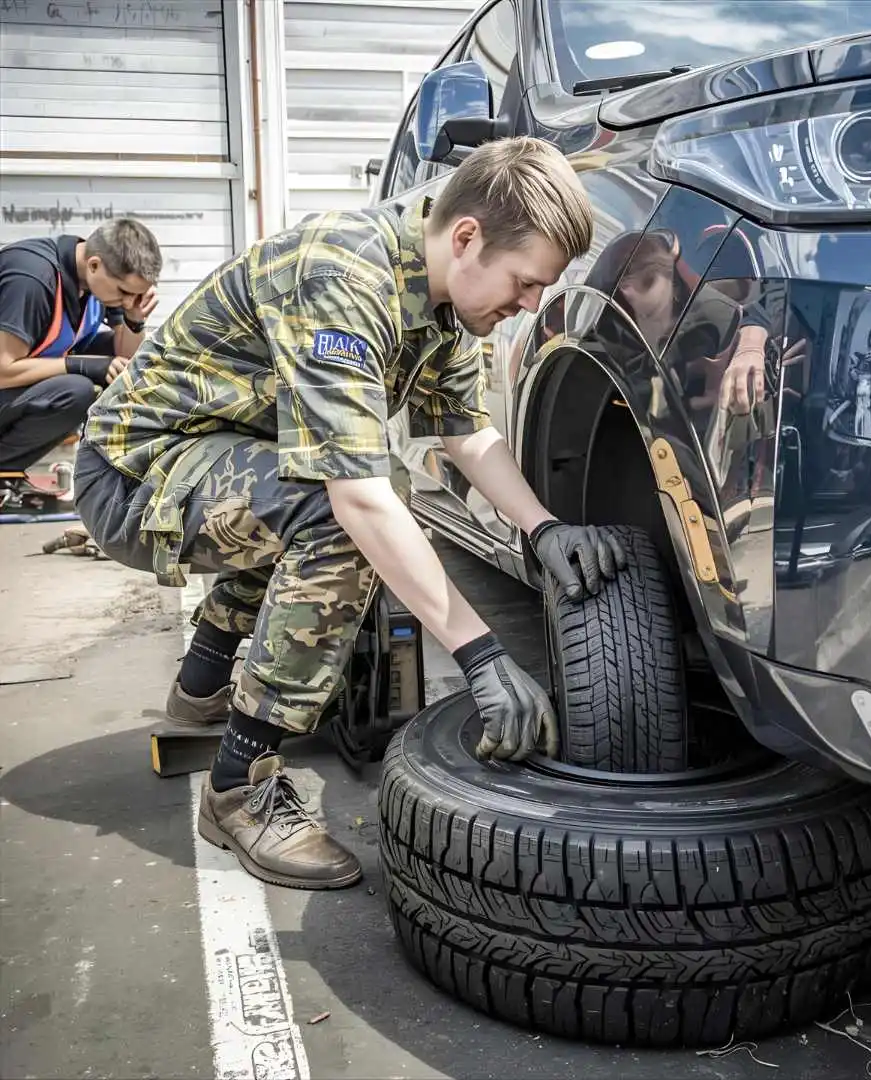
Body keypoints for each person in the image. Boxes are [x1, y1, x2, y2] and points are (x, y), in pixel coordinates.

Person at [72, 136, 628, 890]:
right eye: (526, 282)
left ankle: (201, 689)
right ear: (466, 237)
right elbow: (359, 499)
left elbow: (466, 430)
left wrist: (543, 525)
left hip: (213, 459)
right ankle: (238, 787)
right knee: (344, 515)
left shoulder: (443, 302)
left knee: (316, 490)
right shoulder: (344, 275)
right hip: (133, 475)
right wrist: (481, 655)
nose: (530, 305)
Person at [0, 219, 161, 480]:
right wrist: (81, 364)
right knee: (77, 390)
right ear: (94, 265)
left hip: (15, 386)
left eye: (137, 295)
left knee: (120, 366)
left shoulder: (95, 281)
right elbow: (3, 370)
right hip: (5, 375)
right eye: (124, 292)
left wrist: (134, 319)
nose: (128, 300)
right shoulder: (32, 279)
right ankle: (4, 471)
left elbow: (127, 357)